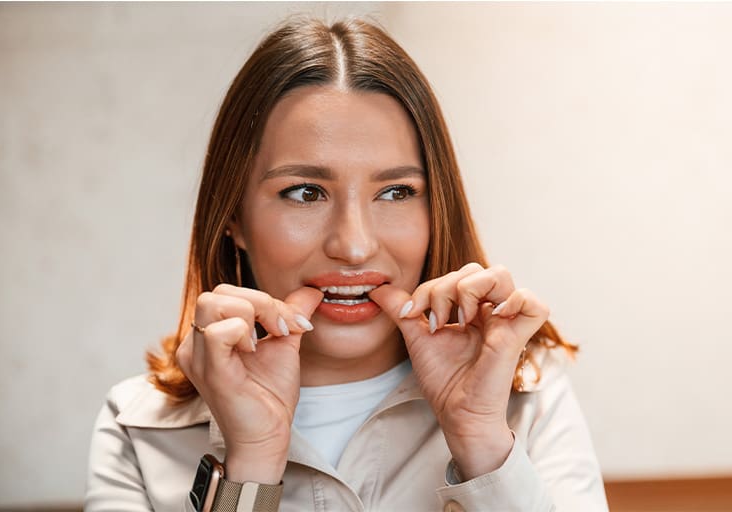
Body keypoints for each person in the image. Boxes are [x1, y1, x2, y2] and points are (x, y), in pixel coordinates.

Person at [85, 15, 608, 512]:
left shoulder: (527, 397)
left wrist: (482, 442)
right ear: (233, 217)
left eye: (397, 191)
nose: (354, 247)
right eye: (306, 192)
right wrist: (250, 469)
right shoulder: (138, 427)